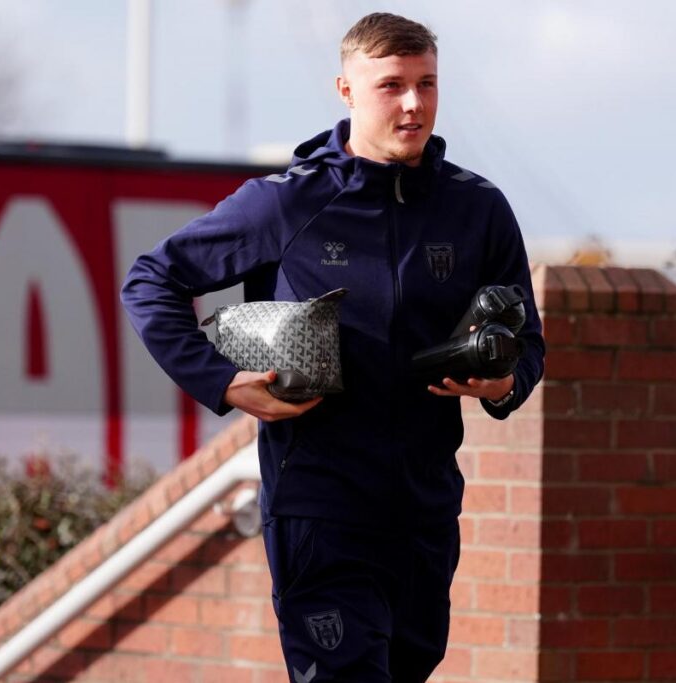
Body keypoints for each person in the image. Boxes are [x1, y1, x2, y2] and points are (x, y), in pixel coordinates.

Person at [122, 12, 544, 682]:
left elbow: (529, 343)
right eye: (392, 85)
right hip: (320, 512)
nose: (413, 104)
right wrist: (224, 383)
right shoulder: (284, 203)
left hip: (426, 516)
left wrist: (501, 382)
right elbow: (151, 281)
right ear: (346, 91)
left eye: (427, 83)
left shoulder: (479, 208)